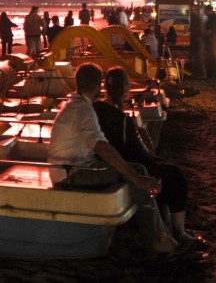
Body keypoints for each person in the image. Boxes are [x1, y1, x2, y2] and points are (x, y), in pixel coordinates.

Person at [48, 63, 180, 255]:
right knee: (139, 173)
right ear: (99, 86)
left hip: (74, 168)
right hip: (72, 175)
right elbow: (101, 146)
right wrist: (135, 177)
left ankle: (162, 234)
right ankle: (158, 240)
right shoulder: (83, 110)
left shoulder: (75, 105)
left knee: (136, 171)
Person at [93, 68, 200, 249]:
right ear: (126, 91)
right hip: (130, 167)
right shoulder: (123, 121)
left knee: (165, 169)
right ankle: (180, 232)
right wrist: (155, 160)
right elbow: (141, 155)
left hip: (109, 164)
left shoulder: (95, 110)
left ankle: (167, 224)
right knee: (176, 176)